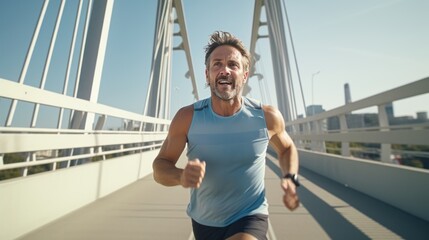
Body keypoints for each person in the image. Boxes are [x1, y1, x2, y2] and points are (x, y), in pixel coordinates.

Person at [152, 31, 300, 240]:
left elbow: (287, 148)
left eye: (233, 64)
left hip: (250, 215)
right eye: (217, 64)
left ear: (245, 75)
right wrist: (180, 176)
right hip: (204, 221)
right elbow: (160, 168)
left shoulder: (267, 116)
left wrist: (290, 178)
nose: (225, 70)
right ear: (207, 75)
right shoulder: (187, 117)